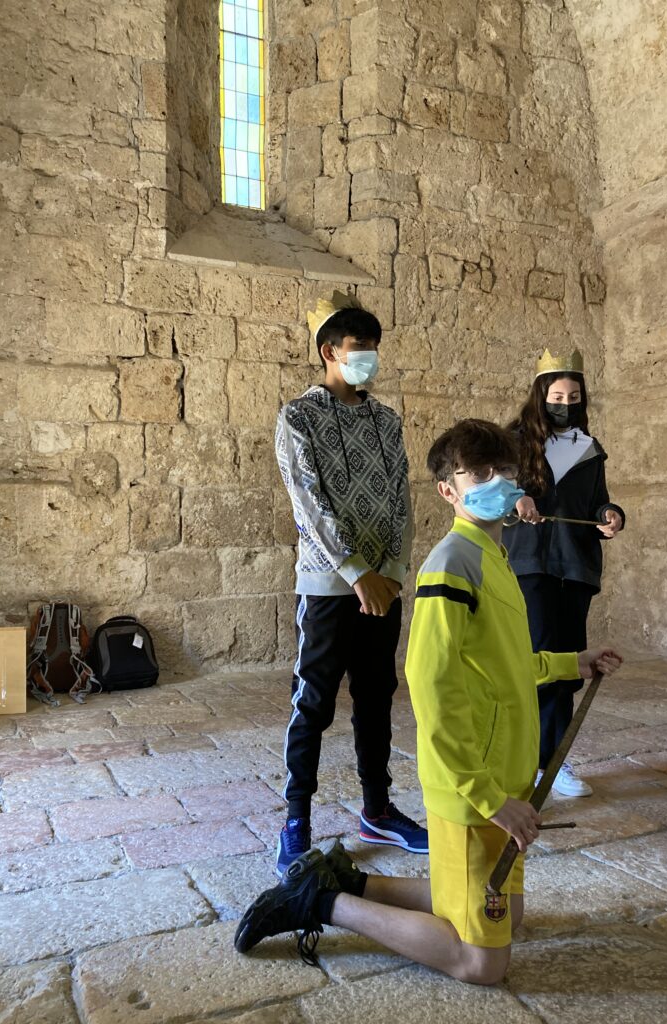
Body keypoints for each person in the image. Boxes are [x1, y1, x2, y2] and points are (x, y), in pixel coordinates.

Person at [235, 418, 622, 984]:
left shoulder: (493, 555)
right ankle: (320, 902)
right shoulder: (451, 563)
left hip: (503, 774)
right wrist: (487, 798)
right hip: (473, 787)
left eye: (506, 471)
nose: (498, 482)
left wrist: (572, 663)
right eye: (479, 474)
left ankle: (349, 881)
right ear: (448, 491)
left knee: (508, 914)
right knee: (482, 963)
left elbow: (502, 664)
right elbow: (431, 684)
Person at [272, 290, 427, 877]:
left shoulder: (387, 421)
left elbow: (402, 499)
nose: (369, 357)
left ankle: (378, 810)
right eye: (359, 346)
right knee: (312, 702)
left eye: (374, 347)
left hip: (383, 585)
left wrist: (391, 572)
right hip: (328, 585)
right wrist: (356, 572)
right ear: (329, 351)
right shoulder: (298, 416)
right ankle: (296, 822)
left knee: (376, 695)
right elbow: (308, 502)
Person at [503, 349, 625, 799]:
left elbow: (597, 501)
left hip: (574, 566)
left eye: (573, 397)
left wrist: (610, 514)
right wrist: (516, 497)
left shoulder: (589, 449)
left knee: (568, 665)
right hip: (529, 564)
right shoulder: (513, 442)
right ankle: (527, 760)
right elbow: (493, 490)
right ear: (541, 396)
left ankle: (551, 762)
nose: (565, 404)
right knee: (538, 661)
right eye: (557, 397)